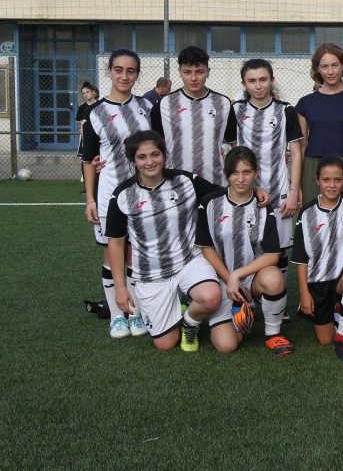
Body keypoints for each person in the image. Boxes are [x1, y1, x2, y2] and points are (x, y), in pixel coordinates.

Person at [105, 131, 268, 353]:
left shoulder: (185, 181)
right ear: (133, 160)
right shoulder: (122, 196)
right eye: (142, 157)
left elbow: (224, 193)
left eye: (155, 154)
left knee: (211, 297)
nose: (150, 161)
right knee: (165, 344)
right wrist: (121, 288)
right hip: (151, 274)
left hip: (188, 261)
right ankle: (182, 309)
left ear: (164, 154)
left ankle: (190, 323)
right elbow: (115, 244)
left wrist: (254, 188)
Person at [196, 146, 294, 356]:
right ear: (227, 174)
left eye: (247, 172)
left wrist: (239, 276)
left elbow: (272, 255)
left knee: (274, 277)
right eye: (235, 173)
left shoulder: (263, 208)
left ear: (256, 173)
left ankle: (272, 334)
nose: (240, 179)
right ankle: (242, 310)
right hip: (220, 280)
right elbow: (207, 248)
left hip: (250, 278)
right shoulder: (210, 204)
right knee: (227, 345)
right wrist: (230, 279)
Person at [81, 49, 152, 339]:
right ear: (109, 71)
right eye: (119, 70)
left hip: (143, 193)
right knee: (113, 255)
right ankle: (115, 316)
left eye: (131, 70)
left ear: (137, 74)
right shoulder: (94, 111)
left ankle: (135, 314)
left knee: (135, 255)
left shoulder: (147, 106)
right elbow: (88, 159)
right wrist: (90, 199)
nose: (125, 76)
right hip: (110, 192)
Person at [291, 156, 343, 360]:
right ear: (317, 180)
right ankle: (340, 312)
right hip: (318, 281)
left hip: (341, 276)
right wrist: (304, 293)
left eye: (337, 180)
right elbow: (300, 257)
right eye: (326, 180)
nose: (332, 185)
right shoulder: (307, 212)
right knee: (324, 339)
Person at [233, 58, 303, 263]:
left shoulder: (286, 110)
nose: (258, 85)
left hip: (279, 191)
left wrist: (293, 192)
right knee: (246, 251)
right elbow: (233, 151)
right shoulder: (236, 111)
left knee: (278, 254)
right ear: (244, 84)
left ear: (272, 80)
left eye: (263, 79)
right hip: (245, 191)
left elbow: (297, 154)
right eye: (252, 80)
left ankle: (276, 294)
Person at [150, 46, 237, 186]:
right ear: (179, 72)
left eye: (199, 72)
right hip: (176, 184)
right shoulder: (163, 105)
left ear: (208, 72)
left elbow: (235, 145)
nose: (193, 78)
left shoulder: (223, 104)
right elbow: (154, 147)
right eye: (187, 72)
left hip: (214, 183)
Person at [296, 43, 343, 205]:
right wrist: (297, 186)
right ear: (317, 69)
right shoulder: (305, 103)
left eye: (335, 65)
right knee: (314, 219)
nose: (330, 71)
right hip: (313, 166)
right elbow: (301, 147)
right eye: (324, 66)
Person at [76, 81, 99, 189]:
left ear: (93, 92)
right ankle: (87, 185)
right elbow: (79, 121)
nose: (86, 95)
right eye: (83, 93)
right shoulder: (82, 108)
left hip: (98, 137)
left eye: (87, 92)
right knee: (85, 159)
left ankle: (99, 183)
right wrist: (83, 131)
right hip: (86, 137)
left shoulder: (100, 106)